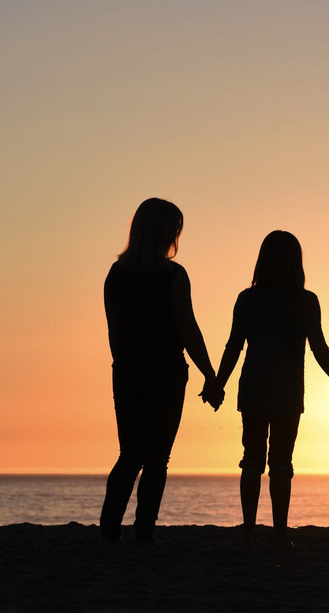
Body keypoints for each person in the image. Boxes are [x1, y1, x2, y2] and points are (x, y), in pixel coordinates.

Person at [212, 230, 329, 548]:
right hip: (288, 391)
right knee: (281, 462)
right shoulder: (304, 300)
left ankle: (250, 532)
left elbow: (234, 347)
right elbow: (320, 350)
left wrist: (218, 383)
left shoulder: (247, 299)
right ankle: (279, 534)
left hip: (253, 387)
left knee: (251, 458)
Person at [99, 197, 221, 543]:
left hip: (129, 371)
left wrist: (123, 366)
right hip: (165, 372)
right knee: (155, 458)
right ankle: (143, 531)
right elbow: (188, 329)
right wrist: (210, 375)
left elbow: (115, 331)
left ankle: (111, 530)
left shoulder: (117, 274)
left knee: (131, 455)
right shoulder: (173, 275)